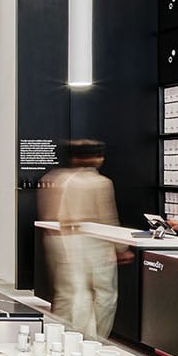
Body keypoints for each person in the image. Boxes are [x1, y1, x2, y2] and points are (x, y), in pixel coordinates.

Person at [37, 140, 128, 340]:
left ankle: (59, 336)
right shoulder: (100, 183)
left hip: (64, 240)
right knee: (105, 293)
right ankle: (92, 339)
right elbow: (107, 217)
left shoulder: (57, 179)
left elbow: (50, 214)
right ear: (97, 158)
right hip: (94, 241)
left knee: (69, 292)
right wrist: (121, 247)